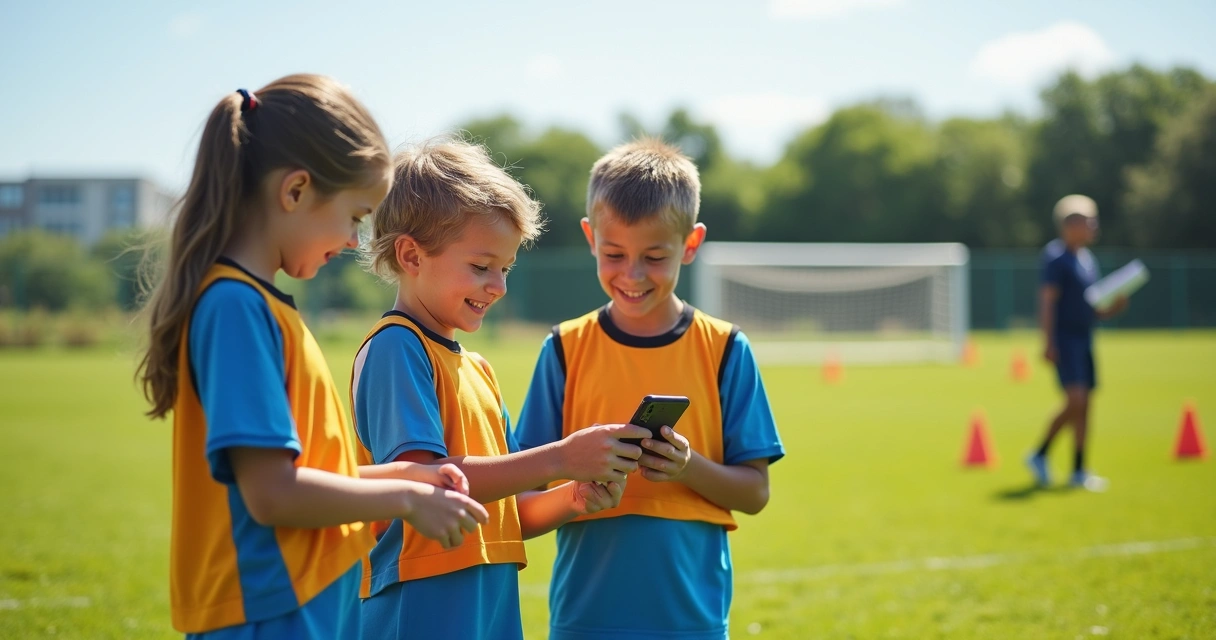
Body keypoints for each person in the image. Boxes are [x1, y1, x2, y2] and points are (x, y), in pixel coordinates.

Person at [136, 76, 488, 639]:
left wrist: (409, 475)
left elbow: (309, 475)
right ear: (295, 191)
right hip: (269, 611)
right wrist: (402, 497)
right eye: (354, 215)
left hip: (307, 604)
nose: (355, 240)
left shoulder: (265, 306)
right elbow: (273, 494)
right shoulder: (234, 308)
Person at [352, 138, 651, 640]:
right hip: (423, 604)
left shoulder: (479, 369)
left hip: (489, 604)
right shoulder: (397, 348)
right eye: (481, 266)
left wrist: (572, 497)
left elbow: (512, 509)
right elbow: (429, 481)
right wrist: (561, 457)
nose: (499, 286)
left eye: (505, 268)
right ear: (411, 255)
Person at [515, 139, 785, 639]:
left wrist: (688, 467)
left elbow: (755, 493)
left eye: (654, 256)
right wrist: (575, 493)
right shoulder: (564, 349)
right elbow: (521, 504)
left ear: (691, 244)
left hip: (691, 620)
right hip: (585, 619)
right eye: (614, 253)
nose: (632, 274)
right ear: (589, 238)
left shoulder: (725, 348)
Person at [1026, 194, 1128, 492]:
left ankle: (1079, 470)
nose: (1094, 226)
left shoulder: (1086, 259)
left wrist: (1113, 309)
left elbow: (1093, 308)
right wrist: (1047, 341)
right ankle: (1040, 453)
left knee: (1086, 405)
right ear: (1070, 224)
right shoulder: (1056, 257)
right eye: (1088, 220)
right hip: (1065, 338)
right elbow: (1047, 302)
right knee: (1076, 401)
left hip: (1085, 338)